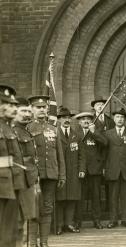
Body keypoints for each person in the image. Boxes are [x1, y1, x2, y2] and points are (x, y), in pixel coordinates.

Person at [90, 108, 126, 228]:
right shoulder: (107, 134)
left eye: (122, 117)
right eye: (117, 117)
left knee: (125, 196)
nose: (120, 119)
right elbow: (103, 152)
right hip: (112, 168)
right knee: (113, 196)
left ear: (125, 119)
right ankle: (113, 220)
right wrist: (104, 167)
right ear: (114, 119)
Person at [27, 95, 66, 247]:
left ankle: (44, 242)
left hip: (51, 174)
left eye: (44, 107)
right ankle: (32, 242)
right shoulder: (28, 128)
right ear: (32, 109)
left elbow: (59, 154)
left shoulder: (53, 129)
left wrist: (62, 175)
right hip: (34, 176)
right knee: (33, 207)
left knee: (48, 207)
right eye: (38, 107)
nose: (42, 110)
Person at [13, 97, 40, 247]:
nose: (27, 114)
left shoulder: (26, 131)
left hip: (30, 179)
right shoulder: (13, 132)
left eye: (29, 111)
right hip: (19, 180)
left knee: (31, 214)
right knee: (19, 217)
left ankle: (31, 244)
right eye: (23, 111)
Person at [0, 85, 25, 247]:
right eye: (9, 104)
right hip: (2, 186)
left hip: (11, 184)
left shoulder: (8, 127)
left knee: (10, 233)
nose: (14, 108)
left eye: (15, 105)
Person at [55, 107, 85, 235]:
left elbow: (82, 155)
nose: (66, 120)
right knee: (60, 199)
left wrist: (82, 169)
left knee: (72, 199)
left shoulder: (76, 135)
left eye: (68, 117)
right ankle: (59, 225)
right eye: (63, 117)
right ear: (59, 120)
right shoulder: (55, 134)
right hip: (60, 173)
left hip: (73, 173)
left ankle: (69, 223)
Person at [74, 111, 104, 229]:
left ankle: (97, 220)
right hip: (80, 171)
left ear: (92, 121)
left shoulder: (96, 132)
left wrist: (94, 132)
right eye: (83, 119)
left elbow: (105, 143)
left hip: (94, 170)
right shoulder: (75, 134)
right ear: (79, 122)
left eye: (88, 119)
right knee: (79, 197)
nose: (86, 121)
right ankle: (78, 221)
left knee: (96, 197)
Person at [91, 96, 115, 211]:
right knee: (95, 185)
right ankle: (97, 209)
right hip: (95, 155)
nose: (100, 106)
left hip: (109, 155)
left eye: (102, 104)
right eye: (97, 104)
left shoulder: (110, 120)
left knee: (109, 182)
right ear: (94, 107)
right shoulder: (91, 120)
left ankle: (109, 207)